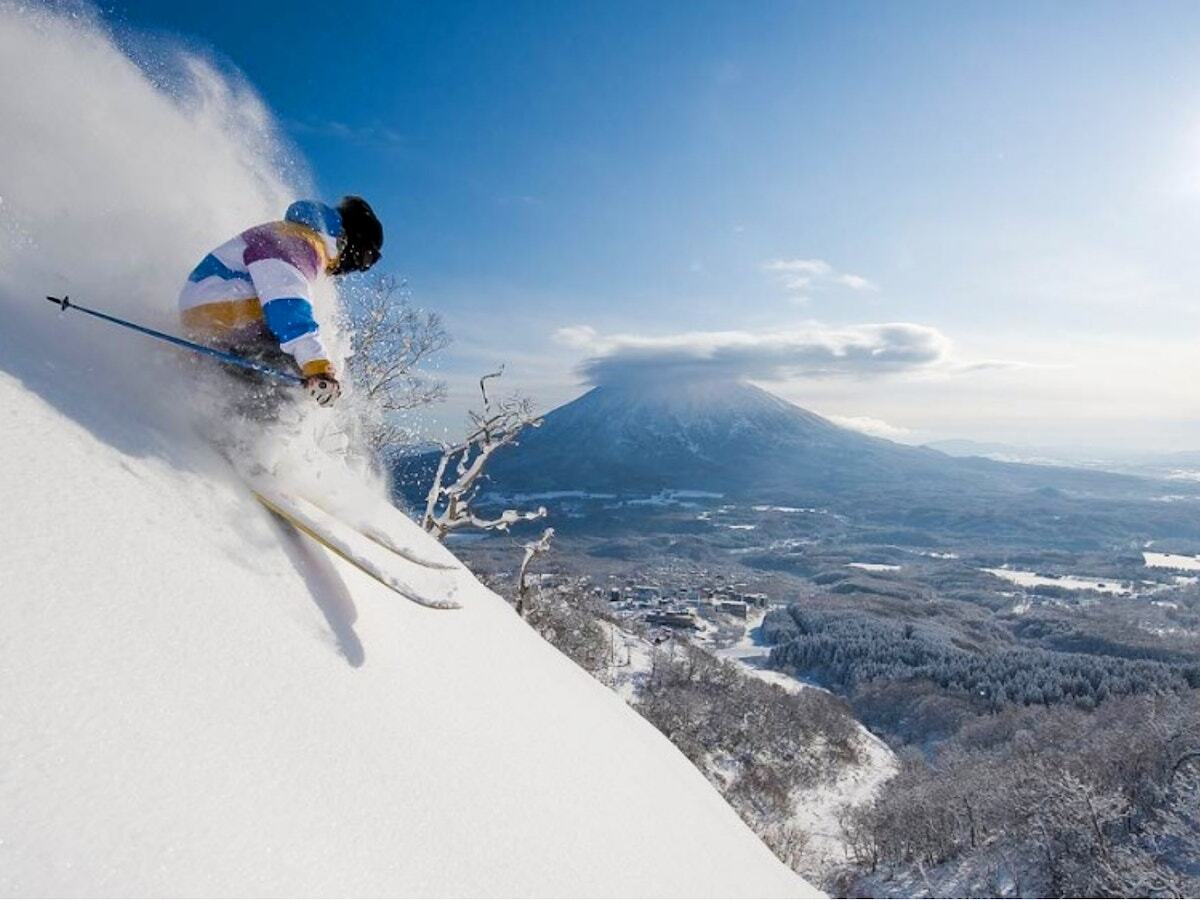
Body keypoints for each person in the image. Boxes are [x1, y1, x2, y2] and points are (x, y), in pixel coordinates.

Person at [177, 196, 383, 414]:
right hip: (222, 308)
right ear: (352, 240)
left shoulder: (296, 236)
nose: (355, 269)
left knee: (279, 364)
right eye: (364, 260)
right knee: (291, 376)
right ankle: (243, 434)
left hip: (215, 313)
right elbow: (285, 301)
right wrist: (316, 365)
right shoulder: (302, 241)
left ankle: (219, 400)